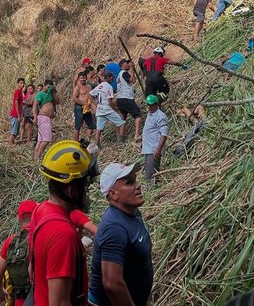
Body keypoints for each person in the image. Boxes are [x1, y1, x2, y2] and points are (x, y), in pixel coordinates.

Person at [29, 140, 98, 306]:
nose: (86, 192)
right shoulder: (63, 234)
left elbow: (32, 266)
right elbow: (59, 303)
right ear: (71, 190)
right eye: (85, 186)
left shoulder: (41, 210)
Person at [88, 162, 152, 306]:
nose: (138, 185)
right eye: (129, 183)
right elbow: (112, 283)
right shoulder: (114, 228)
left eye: (135, 179)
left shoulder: (133, 213)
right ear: (113, 194)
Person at [0, 199, 38, 306]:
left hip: (20, 300)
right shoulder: (41, 236)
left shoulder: (11, 241)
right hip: (42, 298)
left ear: (19, 219)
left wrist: (0, 291)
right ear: (36, 214)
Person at [90, 72, 126, 147]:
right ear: (108, 78)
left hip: (100, 109)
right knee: (122, 123)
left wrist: (96, 104)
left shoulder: (100, 86)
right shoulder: (109, 87)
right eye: (112, 78)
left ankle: (97, 144)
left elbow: (90, 94)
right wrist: (117, 111)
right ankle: (120, 143)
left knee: (98, 129)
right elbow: (110, 102)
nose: (112, 79)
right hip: (107, 109)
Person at [141, 94, 168, 183]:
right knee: (149, 172)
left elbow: (164, 134)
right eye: (148, 105)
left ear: (156, 104)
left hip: (153, 149)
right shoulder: (150, 114)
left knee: (152, 174)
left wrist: (158, 149)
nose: (149, 107)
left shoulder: (160, 116)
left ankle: (153, 189)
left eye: (151, 105)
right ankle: (152, 188)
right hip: (148, 148)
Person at [116, 59, 142, 141]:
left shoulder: (119, 75)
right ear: (123, 65)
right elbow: (133, 80)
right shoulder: (124, 73)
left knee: (122, 118)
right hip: (126, 98)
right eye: (127, 63)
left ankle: (120, 138)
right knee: (138, 114)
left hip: (119, 99)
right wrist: (132, 69)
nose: (128, 64)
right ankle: (136, 135)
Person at [34, 79, 60, 159]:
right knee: (47, 139)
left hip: (47, 118)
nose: (48, 88)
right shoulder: (40, 94)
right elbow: (35, 105)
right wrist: (35, 117)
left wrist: (53, 91)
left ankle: (36, 157)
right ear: (45, 85)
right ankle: (38, 156)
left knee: (41, 139)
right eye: (48, 87)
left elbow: (58, 101)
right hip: (43, 117)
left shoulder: (51, 95)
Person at [72, 71, 97, 142]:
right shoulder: (77, 87)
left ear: (86, 78)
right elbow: (74, 98)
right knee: (78, 125)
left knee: (92, 125)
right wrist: (83, 103)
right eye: (81, 78)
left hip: (87, 108)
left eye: (84, 78)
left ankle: (86, 140)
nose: (83, 79)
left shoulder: (89, 86)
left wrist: (93, 105)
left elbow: (91, 96)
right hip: (79, 107)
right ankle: (75, 142)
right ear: (79, 79)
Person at [10, 77, 25, 145]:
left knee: (15, 132)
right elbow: (16, 102)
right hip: (15, 114)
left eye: (23, 83)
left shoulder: (20, 92)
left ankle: (12, 144)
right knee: (14, 132)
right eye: (21, 83)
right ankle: (11, 145)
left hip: (17, 114)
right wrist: (18, 115)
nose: (22, 84)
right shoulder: (18, 91)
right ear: (18, 84)